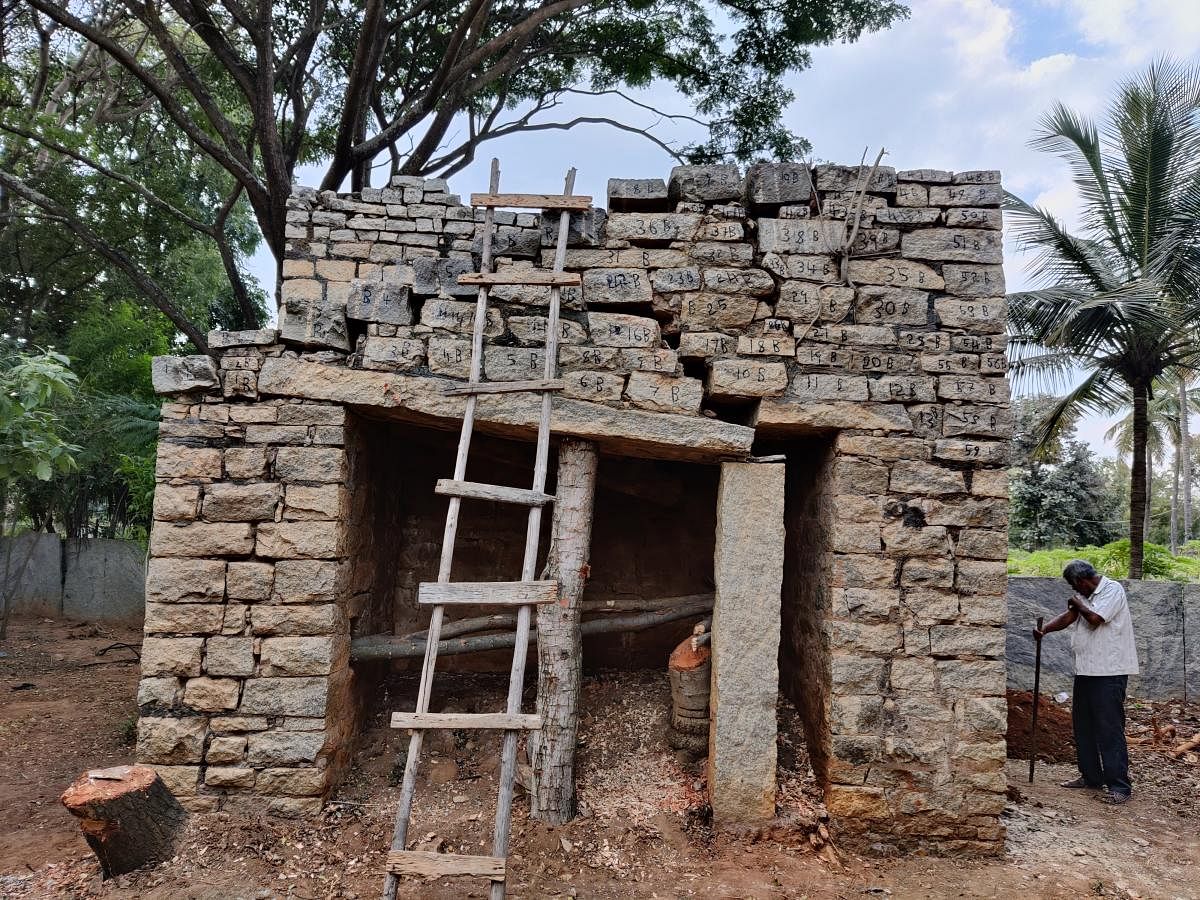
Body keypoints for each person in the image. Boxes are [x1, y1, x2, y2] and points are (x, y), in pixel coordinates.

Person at [1032, 559, 1139, 805]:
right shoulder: (1083, 597)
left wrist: (1078, 605)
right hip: (1086, 671)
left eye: (1075, 586)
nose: (1075, 591)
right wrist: (1045, 630)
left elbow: (1095, 619)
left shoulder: (1112, 590)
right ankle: (1091, 777)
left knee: (1109, 729)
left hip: (1110, 672)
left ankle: (1119, 786)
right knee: (1084, 727)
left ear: (1082, 581)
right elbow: (1069, 617)